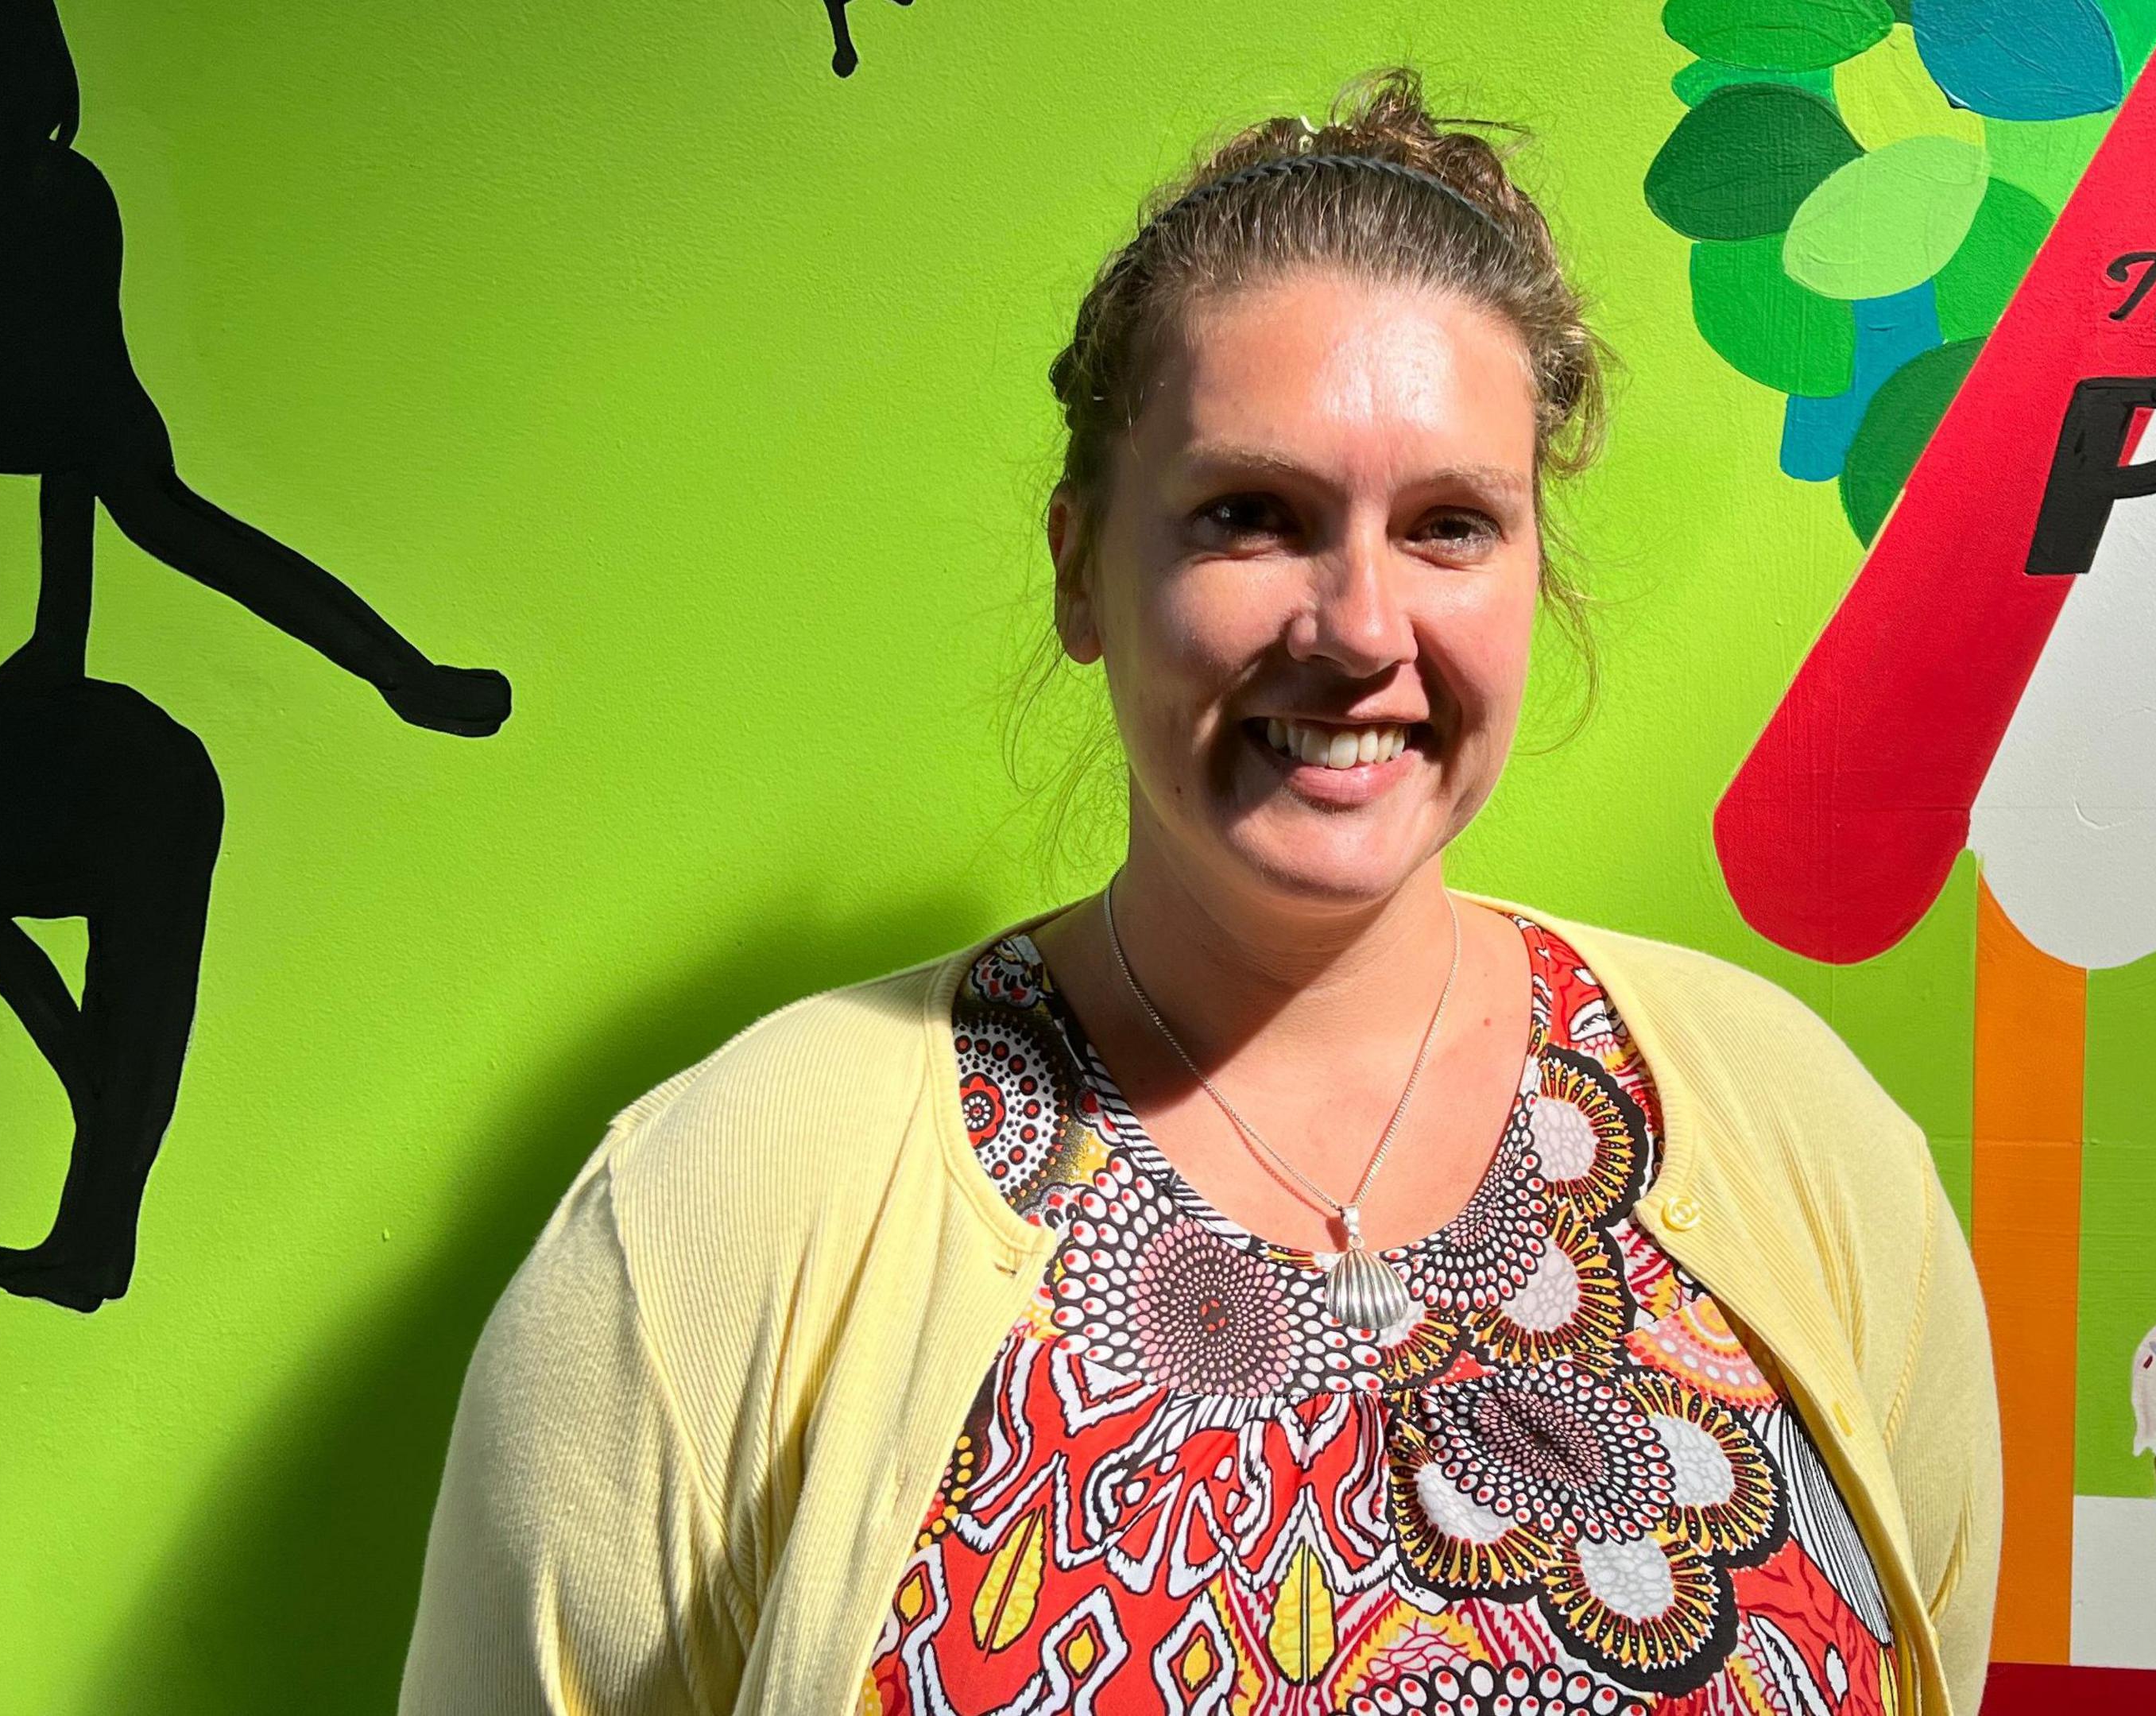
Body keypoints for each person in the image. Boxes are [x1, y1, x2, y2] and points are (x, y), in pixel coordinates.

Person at [399, 68, 1999, 1716]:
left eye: (1450, 526)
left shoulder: (1797, 1142)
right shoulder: (720, 1213)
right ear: (1083, 569)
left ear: (1535, 575)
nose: (1362, 627)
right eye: (1254, 516)